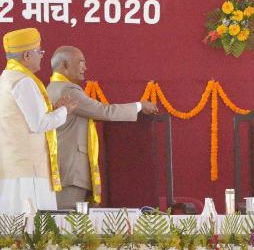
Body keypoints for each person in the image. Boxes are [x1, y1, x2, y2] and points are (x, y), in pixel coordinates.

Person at [46, 46, 158, 209]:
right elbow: (104, 111)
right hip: (71, 171)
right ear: (65, 64)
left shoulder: (53, 87)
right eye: (81, 62)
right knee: (70, 222)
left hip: (67, 169)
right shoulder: (67, 89)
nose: (85, 67)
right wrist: (139, 106)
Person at [0, 28, 77, 214]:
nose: (42, 56)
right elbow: (39, 124)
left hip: (13, 166)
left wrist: (54, 109)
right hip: (29, 170)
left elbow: (21, 118)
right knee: (34, 226)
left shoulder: (6, 78)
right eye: (39, 51)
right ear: (26, 55)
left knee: (13, 227)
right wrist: (64, 111)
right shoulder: (23, 81)